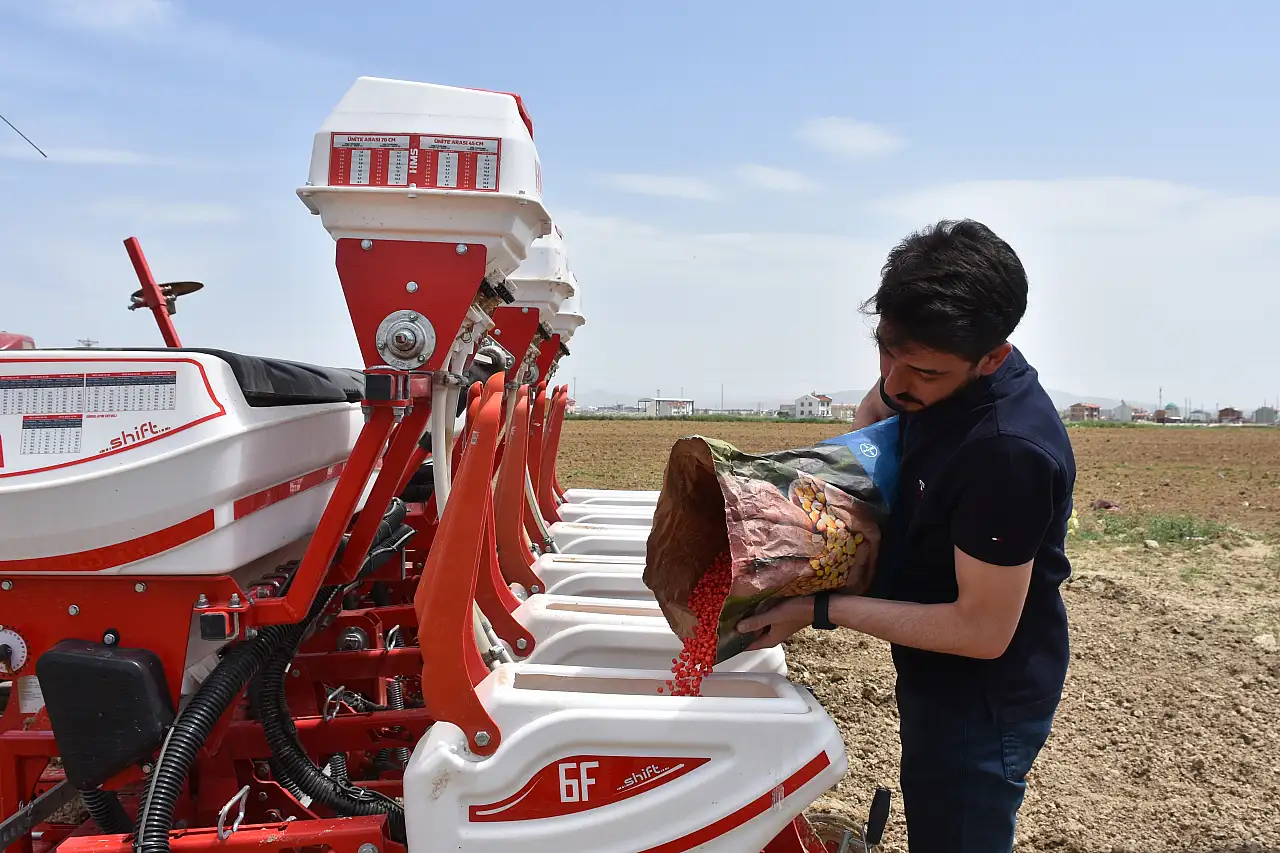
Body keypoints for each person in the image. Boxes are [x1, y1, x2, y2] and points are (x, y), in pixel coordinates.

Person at [736, 219, 1075, 852]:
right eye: (885, 350)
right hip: (932, 662)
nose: (895, 381)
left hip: (980, 695)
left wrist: (820, 608)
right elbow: (876, 412)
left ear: (992, 358)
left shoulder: (1006, 454)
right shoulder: (930, 372)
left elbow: (981, 630)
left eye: (920, 370)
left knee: (955, 828)